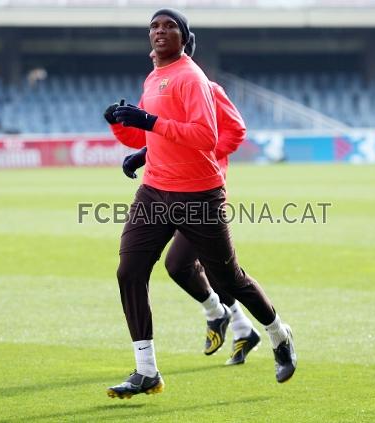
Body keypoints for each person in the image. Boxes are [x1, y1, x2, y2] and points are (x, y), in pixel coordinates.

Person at [103, 8, 297, 399]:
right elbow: (157, 132)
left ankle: (278, 333)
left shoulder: (192, 78)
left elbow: (205, 137)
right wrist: (129, 134)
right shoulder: (155, 78)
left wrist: (147, 123)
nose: (159, 31)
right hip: (155, 191)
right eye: (154, 26)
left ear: (184, 37)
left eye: (169, 26)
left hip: (198, 195)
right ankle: (147, 371)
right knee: (130, 271)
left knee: (229, 279)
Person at [120, 38, 261, 366]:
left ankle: (229, 320)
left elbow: (235, 130)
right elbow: (163, 137)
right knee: (190, 267)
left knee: (186, 265)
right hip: (169, 188)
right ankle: (240, 327)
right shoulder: (160, 86)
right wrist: (140, 154)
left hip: (202, 189)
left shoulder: (205, 88)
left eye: (160, 46)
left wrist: (205, 156)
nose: (153, 51)